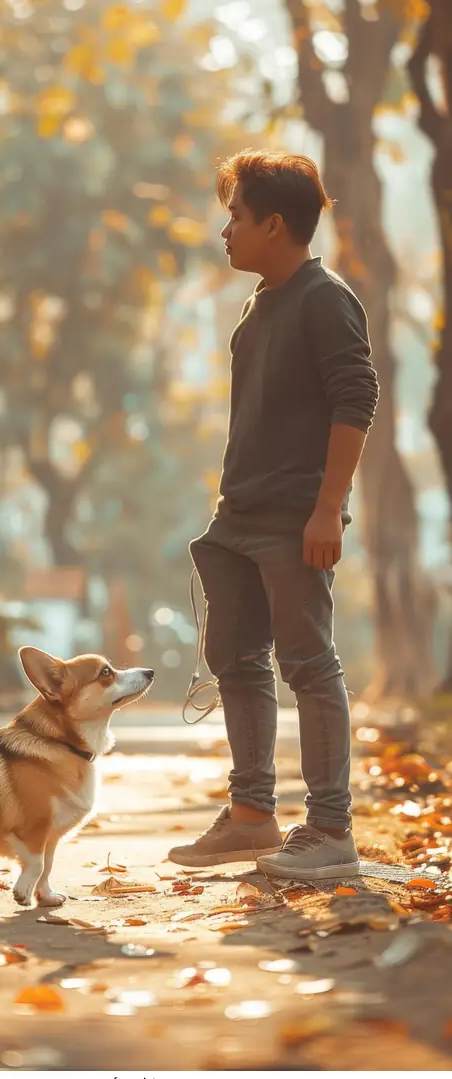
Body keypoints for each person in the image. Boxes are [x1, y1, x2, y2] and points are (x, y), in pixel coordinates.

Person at [169, 150, 379, 880]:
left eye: (235, 216)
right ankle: (253, 815)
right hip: (238, 517)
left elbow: (357, 397)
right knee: (237, 661)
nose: (226, 230)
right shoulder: (261, 303)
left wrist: (328, 509)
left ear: (275, 223)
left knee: (309, 665)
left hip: (295, 517)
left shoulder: (325, 298)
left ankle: (330, 830)